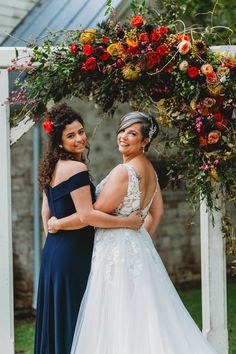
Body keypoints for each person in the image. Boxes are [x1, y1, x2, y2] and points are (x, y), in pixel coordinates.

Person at [48, 111, 218, 354]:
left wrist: (58, 224)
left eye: (133, 133)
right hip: (138, 248)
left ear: (145, 141)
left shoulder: (123, 172)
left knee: (117, 316)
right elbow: (156, 213)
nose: (124, 137)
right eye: (122, 131)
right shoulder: (150, 170)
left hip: (115, 250)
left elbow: (92, 215)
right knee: (144, 314)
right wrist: (137, 243)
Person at [34, 104, 143, 354]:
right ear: (59, 141)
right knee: (76, 317)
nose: (80, 138)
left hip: (53, 251)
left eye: (81, 132)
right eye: (70, 135)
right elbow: (87, 215)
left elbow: (45, 212)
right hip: (74, 253)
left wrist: (52, 236)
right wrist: (127, 222)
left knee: (59, 316)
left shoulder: (50, 166)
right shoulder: (77, 169)